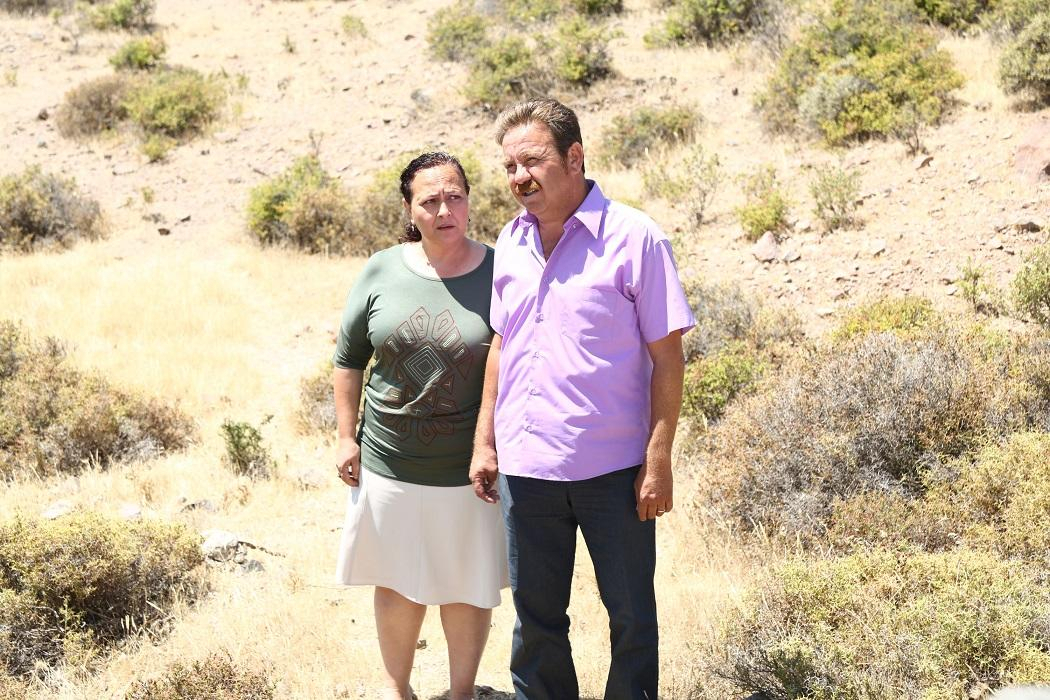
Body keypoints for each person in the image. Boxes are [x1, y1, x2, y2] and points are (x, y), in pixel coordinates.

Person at [469, 99, 695, 700]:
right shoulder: (510, 241)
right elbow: (501, 346)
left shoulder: (636, 238)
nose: (520, 177)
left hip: (613, 471)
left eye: (532, 161)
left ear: (574, 157)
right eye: (510, 166)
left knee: (631, 618)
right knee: (536, 621)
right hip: (527, 469)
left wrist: (658, 460)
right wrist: (486, 441)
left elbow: (668, 358)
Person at [333, 151, 509, 700]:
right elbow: (348, 359)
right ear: (410, 210)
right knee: (396, 579)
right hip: (389, 459)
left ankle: (462, 693)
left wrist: (493, 445)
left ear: (470, 201)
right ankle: (397, 689)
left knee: (466, 583)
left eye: (454, 197)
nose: (444, 210)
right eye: (430, 201)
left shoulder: (502, 271)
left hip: (470, 466)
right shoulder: (381, 269)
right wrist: (344, 436)